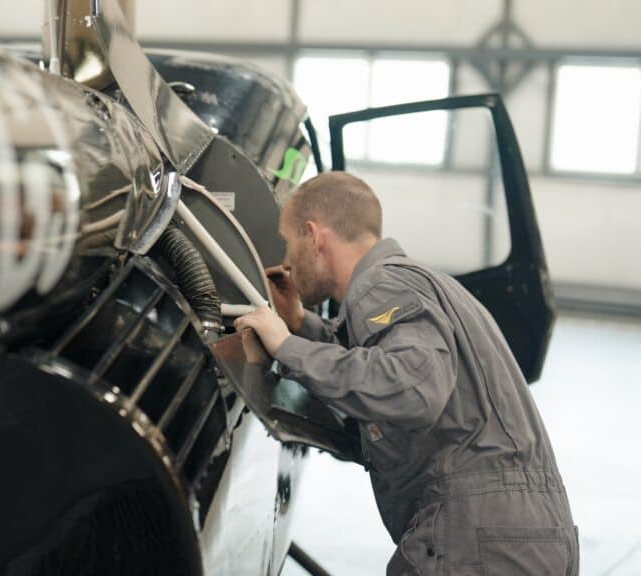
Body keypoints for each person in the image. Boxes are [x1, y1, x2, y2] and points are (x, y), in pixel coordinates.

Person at [234, 172, 577, 575]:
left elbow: (412, 388)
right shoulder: (420, 283)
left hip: (480, 539)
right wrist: (298, 322)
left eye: (287, 242)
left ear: (314, 236)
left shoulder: (381, 285)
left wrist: (286, 347)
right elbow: (380, 356)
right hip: (527, 532)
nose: (286, 261)